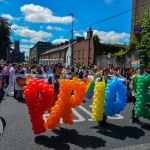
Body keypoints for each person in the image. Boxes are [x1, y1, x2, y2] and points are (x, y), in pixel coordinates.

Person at [48, 63, 63, 128]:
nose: (60, 68)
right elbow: (48, 84)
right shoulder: (52, 75)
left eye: (61, 67)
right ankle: (52, 123)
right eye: (59, 67)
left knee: (58, 109)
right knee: (52, 108)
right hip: (53, 93)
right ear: (56, 67)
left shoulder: (61, 75)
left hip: (59, 94)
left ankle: (58, 122)